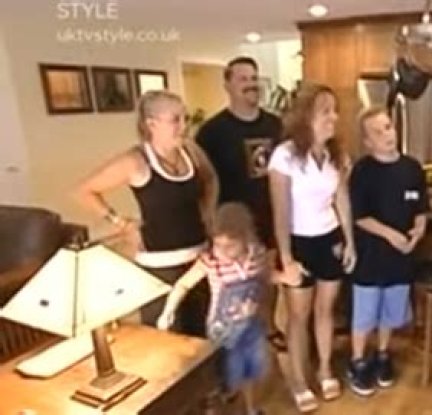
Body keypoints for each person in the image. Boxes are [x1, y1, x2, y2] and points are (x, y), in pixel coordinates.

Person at [74, 90, 218, 337]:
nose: (184, 126)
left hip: (200, 261)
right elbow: (84, 191)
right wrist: (120, 222)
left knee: (204, 339)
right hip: (160, 267)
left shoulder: (191, 151)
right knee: (168, 340)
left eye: (185, 118)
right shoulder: (135, 161)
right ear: (151, 124)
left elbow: (210, 180)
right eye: (175, 120)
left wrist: (208, 214)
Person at [157, 203, 295, 415]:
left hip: (250, 327)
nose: (222, 251)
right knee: (221, 375)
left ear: (246, 239)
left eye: (230, 246)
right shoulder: (211, 262)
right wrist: (168, 310)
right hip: (221, 330)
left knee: (249, 372)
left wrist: (285, 277)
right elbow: (183, 284)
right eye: (217, 245)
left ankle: (251, 409)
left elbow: (266, 276)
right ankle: (220, 403)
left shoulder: (257, 255)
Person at [268, 83, 356, 413]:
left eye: (335, 111)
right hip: (298, 242)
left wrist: (349, 241)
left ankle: (324, 370)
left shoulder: (337, 155)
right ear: (306, 117)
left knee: (326, 310)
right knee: (297, 317)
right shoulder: (284, 156)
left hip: (329, 238)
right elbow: (280, 211)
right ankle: (298, 381)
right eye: (325, 112)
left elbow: (342, 200)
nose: (334, 118)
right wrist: (287, 258)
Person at [196, 56, 286, 349]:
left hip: (271, 214)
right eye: (243, 79)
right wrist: (209, 219)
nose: (250, 84)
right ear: (228, 85)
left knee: (268, 274)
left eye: (253, 78)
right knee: (237, 282)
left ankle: (269, 326)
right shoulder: (212, 132)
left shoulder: (275, 125)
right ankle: (240, 333)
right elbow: (203, 180)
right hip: (233, 221)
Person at [346, 107, 430, 396]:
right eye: (378, 132)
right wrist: (390, 235)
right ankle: (358, 360)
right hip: (370, 257)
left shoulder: (412, 168)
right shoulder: (362, 171)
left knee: (390, 312)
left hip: (400, 258)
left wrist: (418, 228)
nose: (387, 135)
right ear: (367, 142)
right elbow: (360, 216)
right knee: (365, 313)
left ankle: (382, 354)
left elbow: (420, 207)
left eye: (388, 127)